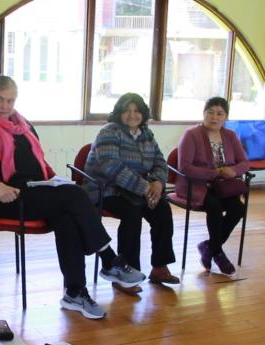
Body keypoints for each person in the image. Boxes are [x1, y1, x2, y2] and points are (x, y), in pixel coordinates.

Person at [0, 76, 146, 320]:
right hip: (4, 198)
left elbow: (38, 162)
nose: (5, 105)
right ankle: (110, 261)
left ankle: (75, 292)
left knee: (67, 216)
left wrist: (55, 179)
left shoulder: (22, 124)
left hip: (34, 190)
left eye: (10, 100)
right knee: (75, 195)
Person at [83, 93, 179, 288]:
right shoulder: (109, 132)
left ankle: (160, 267)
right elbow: (111, 168)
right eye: (127, 110)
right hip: (105, 190)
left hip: (136, 191)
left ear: (143, 114)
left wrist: (158, 185)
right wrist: (146, 188)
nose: (132, 115)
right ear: (119, 112)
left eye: (136, 110)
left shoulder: (147, 134)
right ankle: (127, 274)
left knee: (162, 210)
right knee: (132, 213)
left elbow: (160, 163)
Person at [177, 96, 249, 275]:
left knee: (238, 209)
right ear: (203, 114)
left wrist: (233, 171)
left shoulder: (230, 135)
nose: (214, 117)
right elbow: (184, 166)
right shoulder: (191, 134)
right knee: (214, 206)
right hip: (196, 185)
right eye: (210, 112)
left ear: (225, 117)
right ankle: (217, 252)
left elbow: (244, 163)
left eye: (219, 113)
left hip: (223, 186)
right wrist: (213, 173)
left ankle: (209, 247)